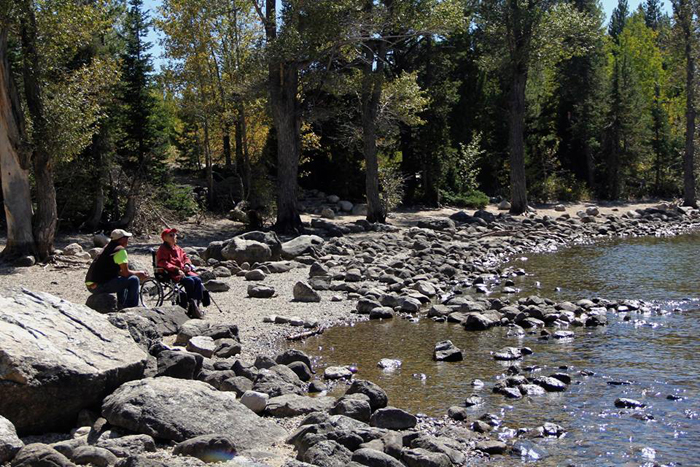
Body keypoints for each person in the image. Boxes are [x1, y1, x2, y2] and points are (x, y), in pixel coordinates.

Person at [85, 229, 148, 308]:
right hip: (98, 286)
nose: (128, 240)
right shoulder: (120, 251)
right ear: (122, 239)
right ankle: (131, 307)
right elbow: (126, 272)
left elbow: (119, 272)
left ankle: (122, 304)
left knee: (123, 279)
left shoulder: (107, 247)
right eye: (127, 238)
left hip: (91, 285)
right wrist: (139, 273)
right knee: (134, 280)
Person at [156, 228, 205, 318]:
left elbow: (186, 257)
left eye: (174, 235)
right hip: (171, 273)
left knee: (197, 280)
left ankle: (195, 304)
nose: (174, 236)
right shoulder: (162, 249)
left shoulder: (178, 248)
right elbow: (162, 262)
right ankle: (191, 304)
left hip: (183, 271)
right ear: (165, 238)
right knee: (190, 281)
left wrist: (187, 264)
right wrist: (176, 269)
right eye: (171, 235)